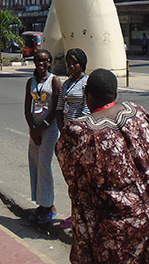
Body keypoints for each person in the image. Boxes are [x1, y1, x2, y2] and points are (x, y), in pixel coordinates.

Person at [56, 68, 149, 264]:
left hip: (121, 224)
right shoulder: (137, 111)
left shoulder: (78, 131)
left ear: (87, 95)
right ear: (115, 94)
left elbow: (70, 170)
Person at [24, 49, 61, 224]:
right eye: (38, 60)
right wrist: (32, 128)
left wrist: (42, 128)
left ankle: (49, 205)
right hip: (35, 128)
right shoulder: (30, 82)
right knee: (35, 164)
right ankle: (40, 203)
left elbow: (56, 108)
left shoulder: (54, 81)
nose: (41, 63)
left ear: (49, 62)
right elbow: (27, 107)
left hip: (49, 129)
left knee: (44, 165)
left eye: (44, 61)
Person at [55, 47, 90, 230]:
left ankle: (85, 216)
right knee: (72, 180)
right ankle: (75, 214)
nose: (71, 66)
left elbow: (87, 109)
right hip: (68, 136)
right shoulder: (66, 84)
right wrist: (64, 132)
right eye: (69, 62)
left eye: (74, 62)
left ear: (82, 63)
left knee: (84, 180)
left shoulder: (87, 83)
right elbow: (59, 108)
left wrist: (77, 132)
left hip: (82, 137)